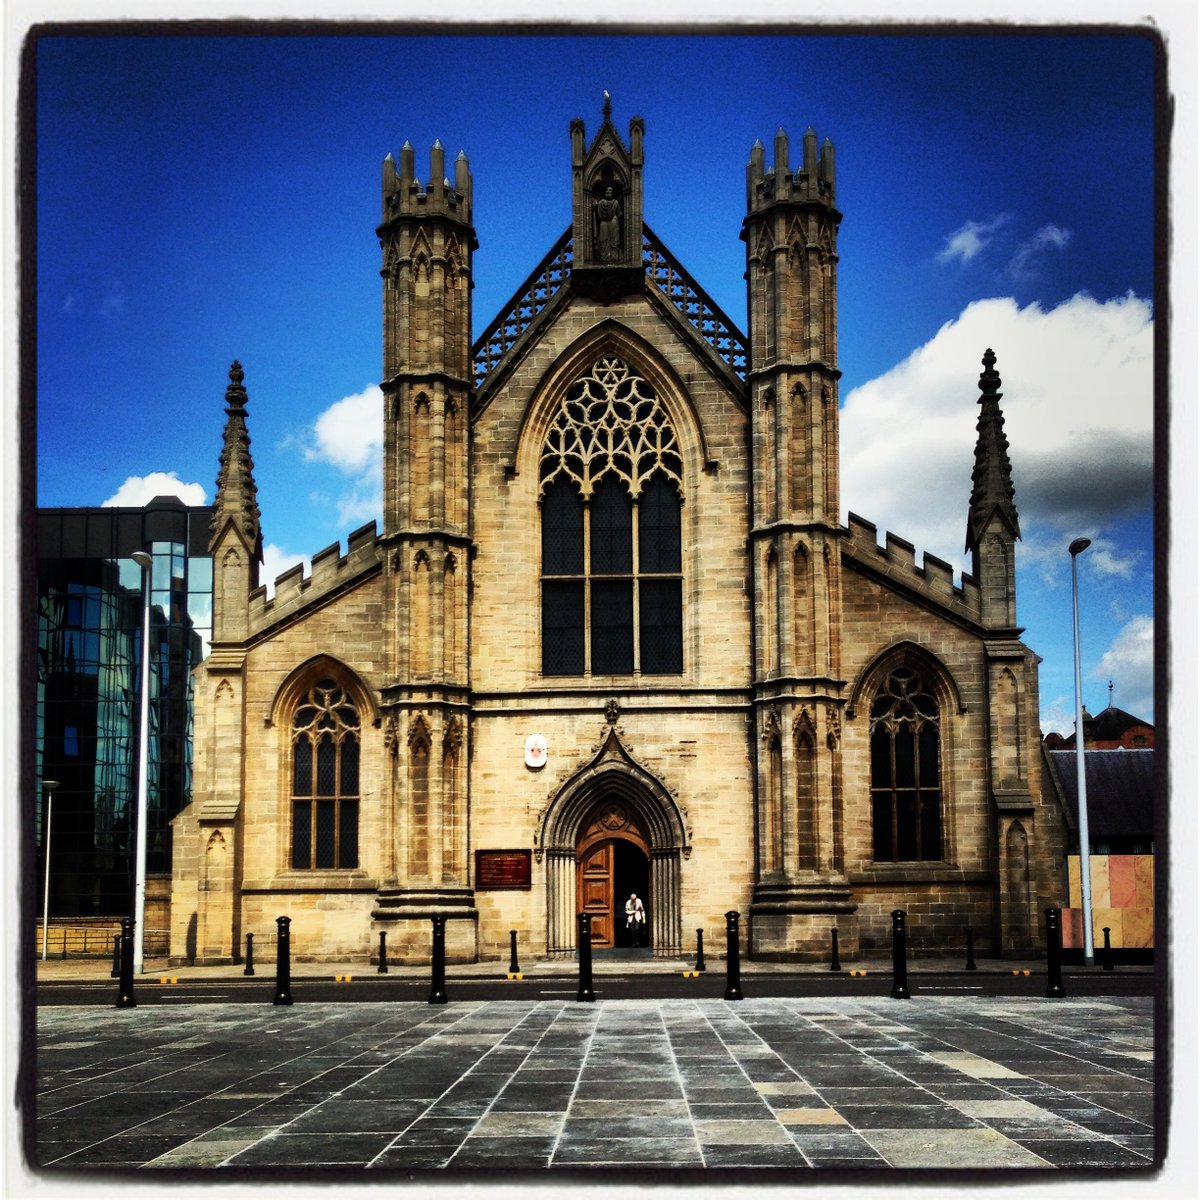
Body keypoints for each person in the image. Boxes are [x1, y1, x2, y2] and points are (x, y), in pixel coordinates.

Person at [596, 186, 621, 262]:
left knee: (614, 239)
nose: (608, 191)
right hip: (603, 222)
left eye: (610, 190)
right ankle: (603, 257)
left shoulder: (616, 202)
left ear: (612, 193)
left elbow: (619, 213)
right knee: (603, 239)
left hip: (613, 221)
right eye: (607, 190)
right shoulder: (600, 202)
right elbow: (598, 214)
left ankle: (614, 257)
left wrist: (615, 217)